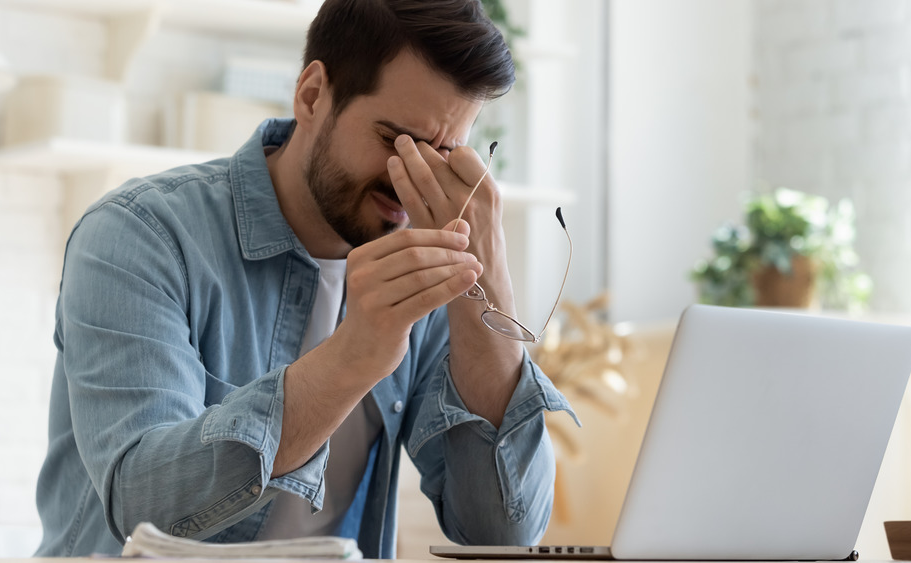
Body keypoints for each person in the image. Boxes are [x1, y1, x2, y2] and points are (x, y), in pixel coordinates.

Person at [34, 0, 576, 557]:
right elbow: (142, 510)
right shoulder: (139, 235)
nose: (410, 181)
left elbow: (503, 534)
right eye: (395, 142)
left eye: (443, 154)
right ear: (313, 94)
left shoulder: (429, 271)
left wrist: (489, 287)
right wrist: (355, 354)